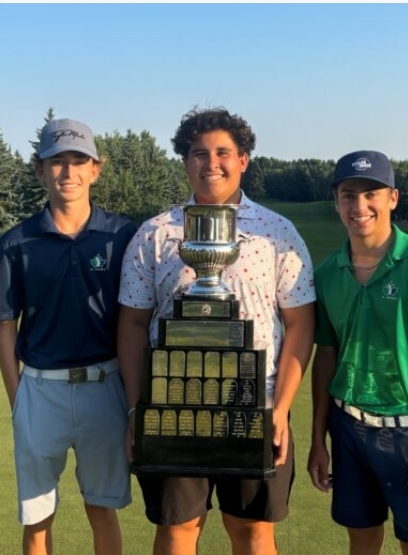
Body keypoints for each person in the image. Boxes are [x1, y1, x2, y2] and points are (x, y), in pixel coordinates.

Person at [117, 107, 316, 555]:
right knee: (177, 529)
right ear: (185, 162)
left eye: (223, 152)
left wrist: (280, 409)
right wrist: (137, 411)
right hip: (173, 409)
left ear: (244, 159)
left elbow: (301, 324)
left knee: (253, 532)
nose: (211, 163)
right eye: (198, 153)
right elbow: (131, 324)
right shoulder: (156, 234)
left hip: (255, 405)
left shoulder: (277, 232)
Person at [0, 118, 137, 555]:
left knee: (101, 510)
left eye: (78, 161)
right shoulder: (16, 241)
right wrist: (18, 399)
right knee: (37, 518)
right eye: (56, 163)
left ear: (96, 169)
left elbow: (135, 319)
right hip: (40, 390)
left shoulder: (122, 235)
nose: (67, 173)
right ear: (39, 170)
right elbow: (5, 325)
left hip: (104, 386)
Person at [306, 150, 408, 555]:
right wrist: (317, 440)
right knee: (361, 542)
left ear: (392, 198)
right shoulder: (327, 273)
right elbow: (325, 357)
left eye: (370, 193)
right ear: (337, 202)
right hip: (347, 428)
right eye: (348, 195)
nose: (359, 206)